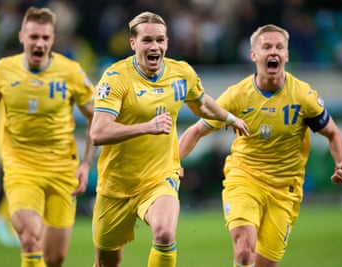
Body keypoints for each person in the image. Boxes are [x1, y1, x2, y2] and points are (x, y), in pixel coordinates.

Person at [178, 24, 342, 267]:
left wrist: (340, 164)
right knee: (245, 251)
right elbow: (196, 131)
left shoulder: (303, 96)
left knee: (264, 264)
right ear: (254, 55)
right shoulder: (237, 95)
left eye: (279, 47)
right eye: (266, 46)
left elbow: (333, 133)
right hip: (245, 177)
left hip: (285, 189)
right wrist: (172, 163)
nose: (274, 52)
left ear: (287, 55)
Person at [89, 11, 249, 267]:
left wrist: (229, 118)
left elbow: (202, 103)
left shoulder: (180, 72)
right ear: (133, 44)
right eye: (147, 40)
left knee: (164, 233)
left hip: (159, 177)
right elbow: (98, 132)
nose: (155, 46)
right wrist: (147, 126)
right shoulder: (115, 78)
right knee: (107, 262)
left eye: (160, 40)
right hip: (116, 185)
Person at [0, 6, 96, 267]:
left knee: (55, 258)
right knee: (29, 238)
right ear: (21, 38)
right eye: (33, 37)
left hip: (63, 170)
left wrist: (86, 164)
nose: (39, 43)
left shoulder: (71, 72)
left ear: (53, 39)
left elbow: (97, 117)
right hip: (21, 168)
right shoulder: (2, 71)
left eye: (45, 38)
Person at [0, 100, 20, 248]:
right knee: (20, 185)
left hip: (7, 143)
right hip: (8, 144)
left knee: (18, 184)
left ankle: (1, 216)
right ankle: (8, 223)